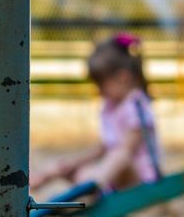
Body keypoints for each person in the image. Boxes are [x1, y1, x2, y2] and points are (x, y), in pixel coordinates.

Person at [31, 33, 163, 194]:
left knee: (118, 156)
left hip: (141, 180)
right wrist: (72, 165)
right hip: (113, 174)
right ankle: (42, 178)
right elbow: (104, 148)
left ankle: (94, 186)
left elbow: (126, 152)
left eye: (101, 84)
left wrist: (97, 173)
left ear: (123, 77)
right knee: (71, 167)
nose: (99, 91)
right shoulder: (110, 106)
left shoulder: (136, 104)